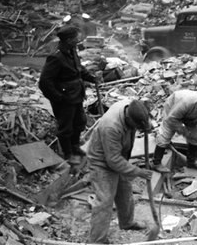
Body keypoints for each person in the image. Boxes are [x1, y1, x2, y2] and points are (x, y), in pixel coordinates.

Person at [86, 99, 154, 244]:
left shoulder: (134, 108)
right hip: (101, 162)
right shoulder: (111, 126)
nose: (136, 128)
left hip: (120, 156)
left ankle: (127, 222)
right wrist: (138, 171)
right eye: (136, 126)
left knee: (125, 191)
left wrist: (147, 126)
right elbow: (113, 160)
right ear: (129, 119)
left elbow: (145, 110)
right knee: (104, 201)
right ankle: (96, 241)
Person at [39, 26, 99, 164]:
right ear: (69, 40)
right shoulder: (56, 57)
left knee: (80, 122)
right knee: (66, 128)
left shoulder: (72, 51)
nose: (79, 39)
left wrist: (91, 78)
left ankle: (75, 147)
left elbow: (79, 69)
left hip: (76, 94)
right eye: (76, 37)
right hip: (65, 98)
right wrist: (58, 98)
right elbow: (44, 82)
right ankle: (68, 154)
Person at [152, 90, 197, 172]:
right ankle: (156, 163)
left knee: (196, 135)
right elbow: (171, 119)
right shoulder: (187, 103)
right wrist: (184, 132)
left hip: (191, 115)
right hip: (173, 109)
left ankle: (191, 162)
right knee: (166, 135)